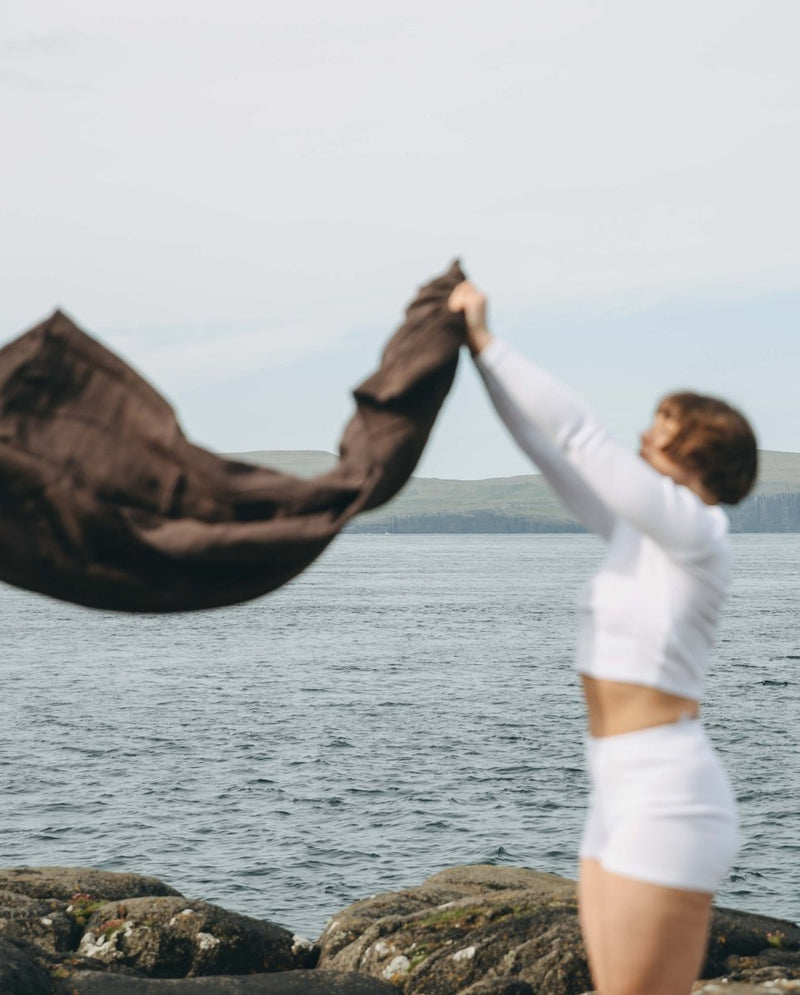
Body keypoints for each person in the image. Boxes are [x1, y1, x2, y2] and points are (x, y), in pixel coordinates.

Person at [448, 281, 758, 995]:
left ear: (699, 445)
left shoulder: (700, 532)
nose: (647, 431)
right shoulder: (639, 532)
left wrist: (492, 341)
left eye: (663, 422)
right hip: (614, 790)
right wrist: (478, 361)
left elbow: (580, 435)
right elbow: (547, 446)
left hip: (669, 797)